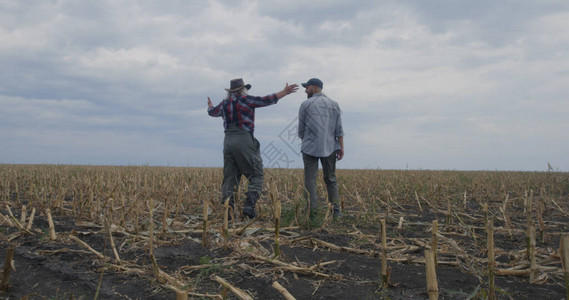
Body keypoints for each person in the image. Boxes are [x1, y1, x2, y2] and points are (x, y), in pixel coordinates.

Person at [208, 78, 298, 219]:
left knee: (230, 177)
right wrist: (285, 92)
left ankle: (228, 211)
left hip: (228, 141)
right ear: (242, 90)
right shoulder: (246, 100)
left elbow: (212, 112)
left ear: (231, 92)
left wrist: (210, 106)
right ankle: (249, 207)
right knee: (256, 175)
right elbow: (267, 100)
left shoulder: (224, 104)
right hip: (244, 139)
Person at [298, 78, 344, 218]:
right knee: (331, 179)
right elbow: (339, 130)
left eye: (307, 87)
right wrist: (341, 148)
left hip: (309, 147)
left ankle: (312, 213)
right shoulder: (334, 104)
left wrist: (306, 140)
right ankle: (336, 212)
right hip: (330, 147)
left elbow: (301, 130)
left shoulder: (306, 104)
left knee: (310, 180)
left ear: (315, 88)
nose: (306, 90)